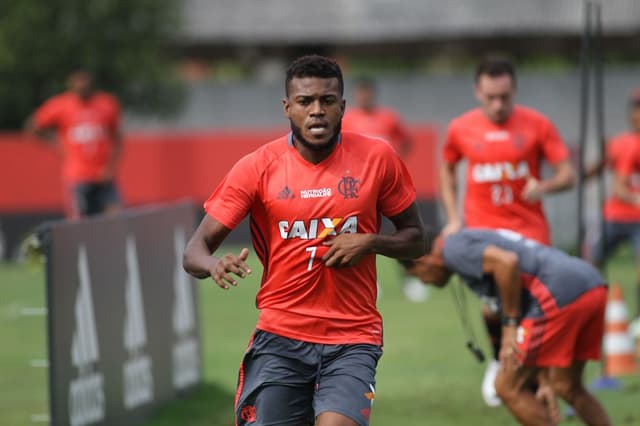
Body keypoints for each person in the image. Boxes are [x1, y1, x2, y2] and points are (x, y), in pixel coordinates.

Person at [183, 55, 425, 426]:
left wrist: (370, 242)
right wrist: (215, 264)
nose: (317, 111)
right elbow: (193, 252)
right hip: (280, 338)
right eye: (305, 102)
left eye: (327, 101)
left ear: (343, 106)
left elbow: (415, 238)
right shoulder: (257, 167)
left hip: (353, 336)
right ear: (287, 107)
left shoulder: (379, 158)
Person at [439, 56, 576, 406]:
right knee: (490, 308)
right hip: (485, 233)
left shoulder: (537, 125)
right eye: (490, 97)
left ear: (514, 90)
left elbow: (568, 175)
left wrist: (544, 186)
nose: (498, 105)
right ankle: (500, 363)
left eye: (504, 97)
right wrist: (454, 217)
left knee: (540, 311)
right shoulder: (460, 128)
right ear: (477, 92)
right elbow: (446, 167)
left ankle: (547, 386)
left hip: (530, 233)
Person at [400, 228, 611, 426]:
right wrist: (544, 381)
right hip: (590, 285)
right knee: (566, 386)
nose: (425, 282)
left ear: (422, 260)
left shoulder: (452, 250)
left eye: (417, 276)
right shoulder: (464, 241)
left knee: (507, 386)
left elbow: (507, 263)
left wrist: (509, 328)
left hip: (557, 293)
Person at [342, 77, 427, 302]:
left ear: (373, 94)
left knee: (401, 231)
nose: (364, 97)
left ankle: (411, 278)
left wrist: (395, 163)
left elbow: (406, 141)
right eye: (361, 93)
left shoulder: (388, 118)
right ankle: (371, 284)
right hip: (359, 189)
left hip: (387, 187)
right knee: (361, 234)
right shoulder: (348, 120)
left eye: (367, 93)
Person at [25, 69, 123, 219]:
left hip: (103, 175)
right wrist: (56, 144)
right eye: (78, 81)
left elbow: (117, 138)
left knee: (115, 217)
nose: (82, 85)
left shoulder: (107, 104)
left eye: (85, 80)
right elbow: (33, 126)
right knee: (79, 221)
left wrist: (110, 167)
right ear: (70, 83)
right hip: (78, 175)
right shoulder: (60, 105)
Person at [585, 88, 640, 331]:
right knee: (589, 264)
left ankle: (638, 322)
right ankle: (585, 313)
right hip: (614, 216)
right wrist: (600, 155)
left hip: (638, 220)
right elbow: (597, 177)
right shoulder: (620, 143)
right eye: (636, 110)